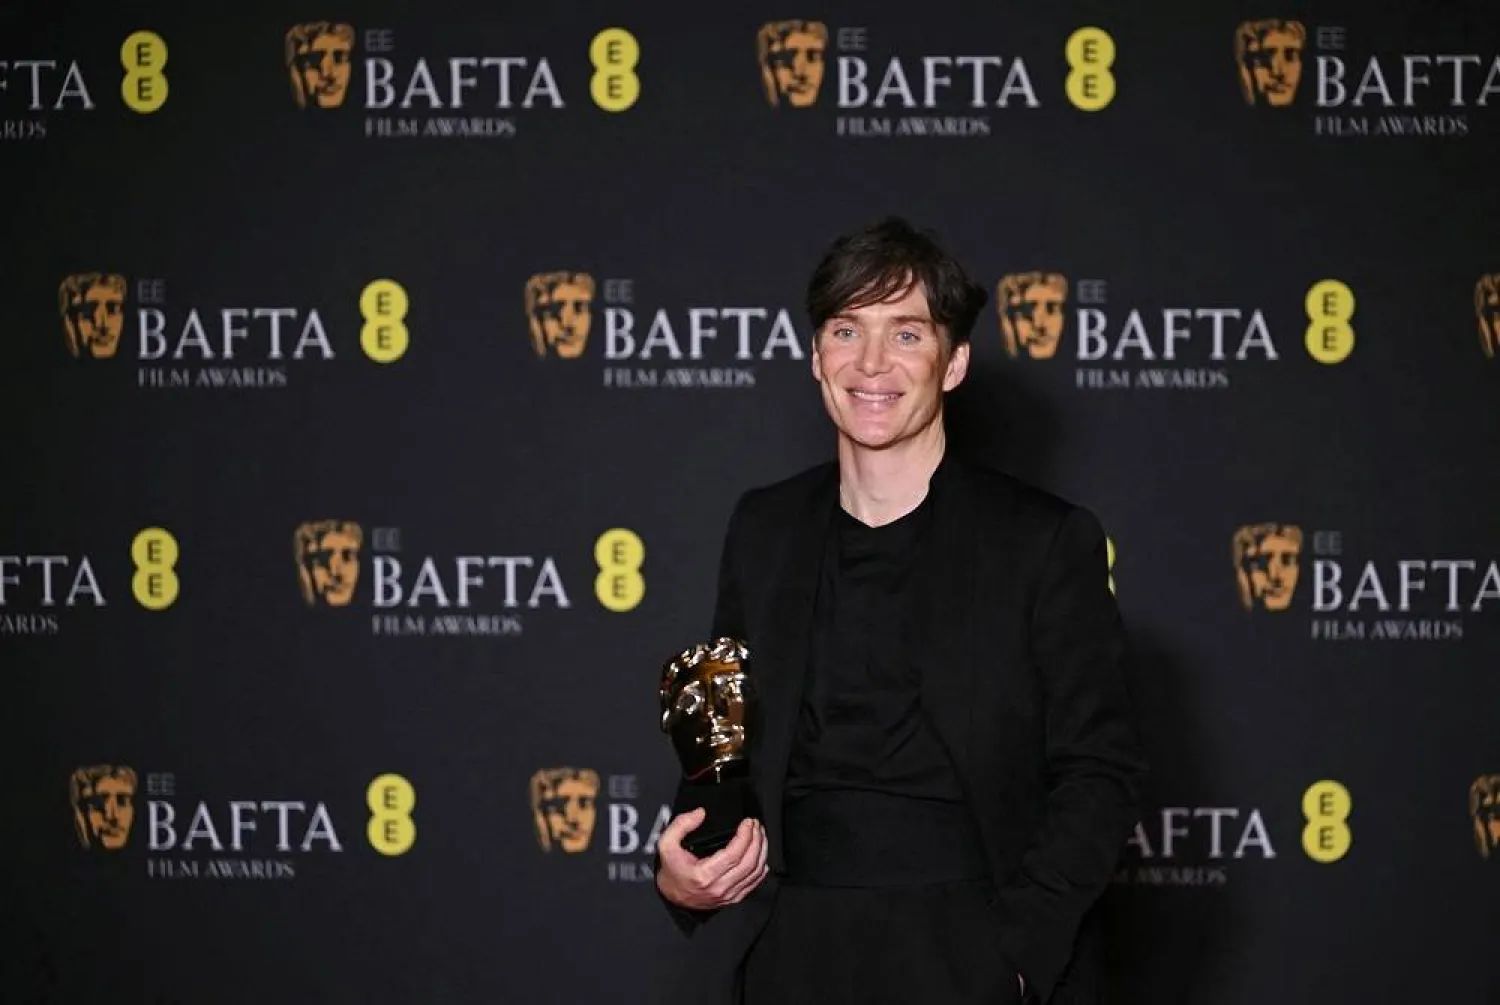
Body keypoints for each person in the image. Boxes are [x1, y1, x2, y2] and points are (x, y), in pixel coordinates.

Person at [654, 217, 1147, 1004]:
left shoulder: (1044, 539)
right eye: (847, 329)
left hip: (967, 944)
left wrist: (1020, 949)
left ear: (954, 364)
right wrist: (685, 868)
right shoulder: (762, 526)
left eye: (906, 333)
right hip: (794, 945)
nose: (871, 363)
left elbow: (1101, 771)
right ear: (816, 356)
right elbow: (719, 737)